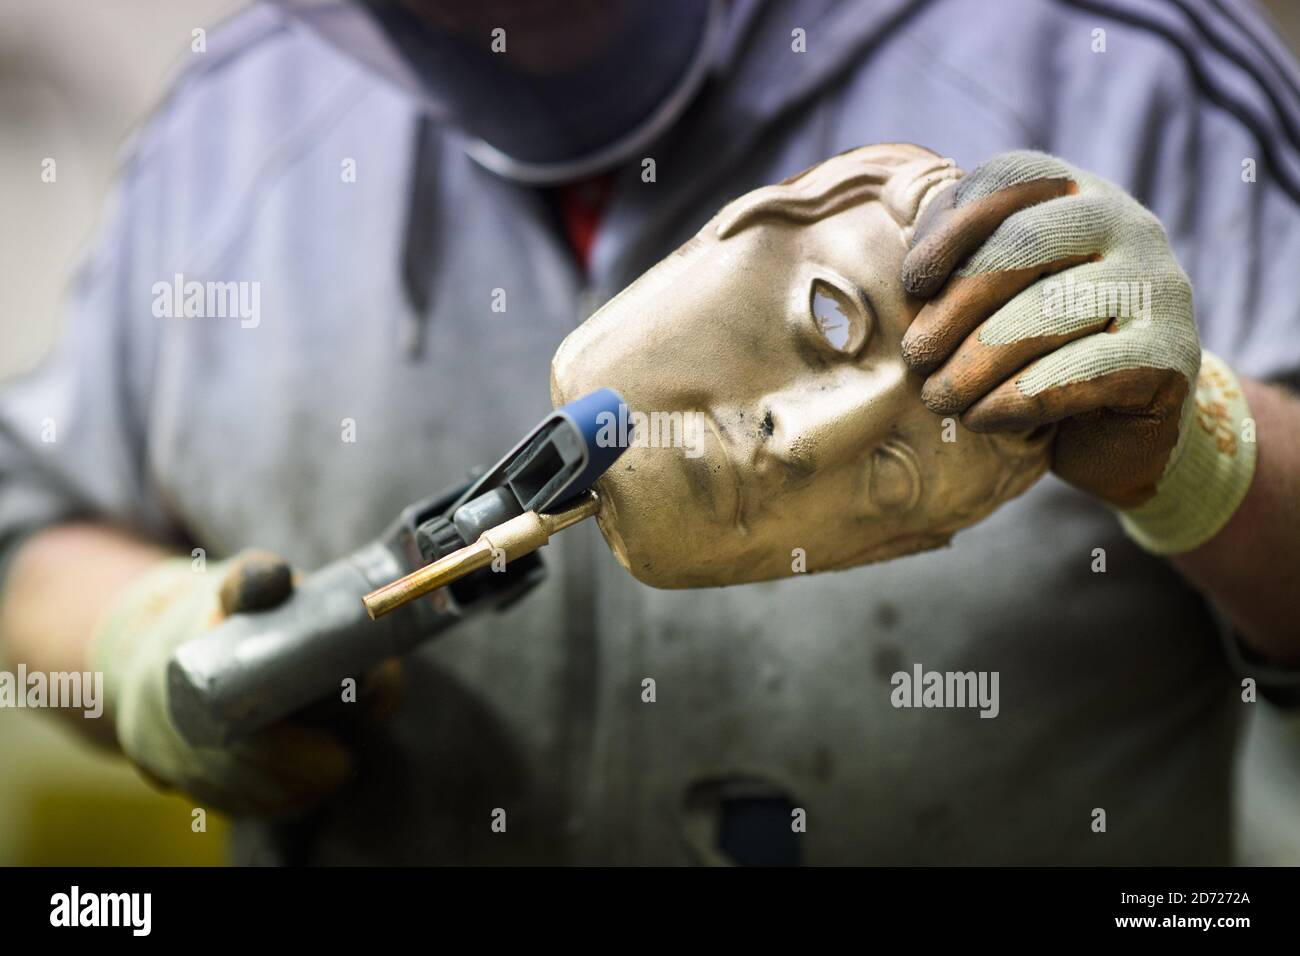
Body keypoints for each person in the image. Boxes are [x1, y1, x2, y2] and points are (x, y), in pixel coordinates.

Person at [0, 0, 1297, 865]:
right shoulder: (239, 119)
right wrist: (141, 646)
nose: (791, 441)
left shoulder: (1123, 65)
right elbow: (26, 518)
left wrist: (1201, 455)